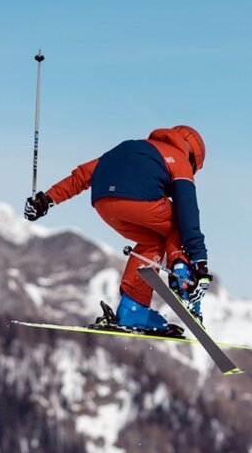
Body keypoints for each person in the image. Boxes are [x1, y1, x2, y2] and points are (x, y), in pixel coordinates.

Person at [24, 125, 212, 335]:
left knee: (153, 240)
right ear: (193, 157)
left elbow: (81, 176)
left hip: (104, 203)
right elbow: (188, 210)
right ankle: (183, 278)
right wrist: (198, 260)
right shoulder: (179, 159)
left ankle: (134, 309)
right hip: (141, 201)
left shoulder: (130, 148)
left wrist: (46, 200)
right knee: (178, 222)